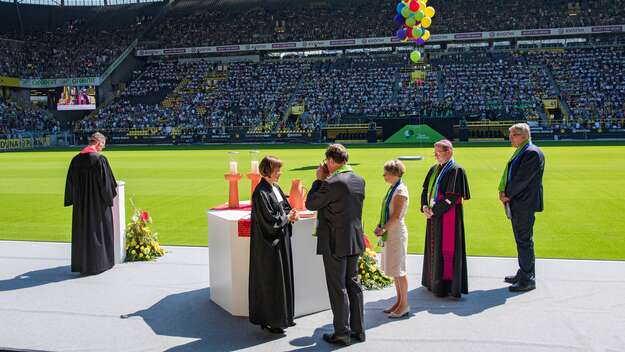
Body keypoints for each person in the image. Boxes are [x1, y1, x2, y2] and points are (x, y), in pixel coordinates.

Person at [305, 144, 366, 346]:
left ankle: (342, 332)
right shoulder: (359, 180)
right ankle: (358, 330)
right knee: (353, 284)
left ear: (330, 161)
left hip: (334, 242)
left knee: (337, 287)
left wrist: (318, 179)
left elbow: (311, 203)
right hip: (354, 239)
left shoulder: (331, 182)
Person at [248, 156, 299, 334]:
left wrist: (291, 212)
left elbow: (284, 207)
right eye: (277, 170)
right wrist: (288, 218)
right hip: (269, 245)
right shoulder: (260, 192)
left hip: (281, 240)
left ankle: (284, 317)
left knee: (282, 279)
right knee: (272, 281)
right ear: (267, 170)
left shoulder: (275, 187)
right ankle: (271, 320)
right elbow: (269, 221)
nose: (280, 173)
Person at [420, 139, 470, 299]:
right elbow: (425, 190)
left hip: (448, 216)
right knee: (434, 247)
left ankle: (447, 286)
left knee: (447, 249)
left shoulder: (456, 170)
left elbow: (452, 198)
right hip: (433, 216)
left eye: (438, 153)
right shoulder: (435, 169)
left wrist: (433, 211)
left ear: (449, 152)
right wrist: (424, 207)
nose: (435, 156)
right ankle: (433, 282)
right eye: (434, 153)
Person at [499, 123, 545, 292]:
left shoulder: (531, 153)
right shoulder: (524, 151)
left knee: (524, 241)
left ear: (524, 136)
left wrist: (507, 194)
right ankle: (524, 272)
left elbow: (521, 179)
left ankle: (527, 279)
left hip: (524, 203)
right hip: (520, 202)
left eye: (513, 135)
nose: (510, 138)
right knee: (522, 240)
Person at [64, 132, 117, 275]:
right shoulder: (100, 160)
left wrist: (74, 199)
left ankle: (83, 264)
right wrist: (109, 198)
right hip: (97, 203)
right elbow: (108, 186)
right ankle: (99, 263)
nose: (102, 149)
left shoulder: (75, 160)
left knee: (83, 231)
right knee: (98, 231)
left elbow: (71, 183)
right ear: (99, 143)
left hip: (81, 204)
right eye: (103, 146)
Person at [375, 160, 410, 318]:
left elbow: (396, 215)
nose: (384, 175)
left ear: (394, 174)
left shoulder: (400, 190)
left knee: (400, 270)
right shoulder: (393, 188)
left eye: (386, 173)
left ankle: (404, 305)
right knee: (395, 270)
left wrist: (382, 229)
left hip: (396, 233)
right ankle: (399, 302)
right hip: (391, 232)